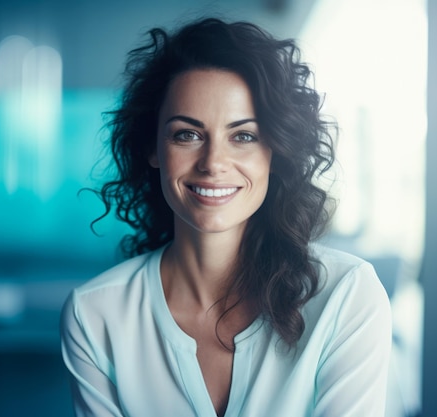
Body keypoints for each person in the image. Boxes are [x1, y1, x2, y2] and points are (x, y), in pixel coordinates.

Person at [61, 17, 391, 417]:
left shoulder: (346, 296)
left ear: (275, 152)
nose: (214, 163)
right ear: (153, 148)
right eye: (188, 134)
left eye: (243, 136)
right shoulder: (96, 314)